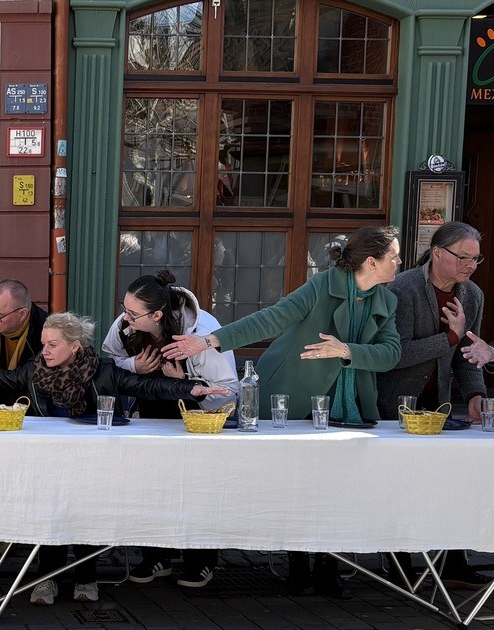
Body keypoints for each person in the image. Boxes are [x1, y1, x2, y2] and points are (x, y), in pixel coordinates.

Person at [161, 225, 403, 599]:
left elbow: (391, 354)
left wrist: (348, 350)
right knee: (298, 481)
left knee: (337, 486)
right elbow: (271, 318)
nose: (400, 262)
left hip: (348, 404)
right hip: (290, 393)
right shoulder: (322, 287)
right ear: (372, 262)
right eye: (394, 256)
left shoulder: (386, 302)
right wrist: (209, 341)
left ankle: (328, 563)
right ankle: (298, 564)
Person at [0, 312, 228, 605]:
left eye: (52, 344)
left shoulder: (104, 371)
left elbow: (148, 386)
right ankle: (45, 577)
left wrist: (194, 389)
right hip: (50, 460)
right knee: (50, 507)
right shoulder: (34, 371)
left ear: (74, 347)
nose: (44, 350)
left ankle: (86, 576)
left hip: (97, 461)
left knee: (88, 505)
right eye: (44, 343)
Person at [102, 271, 239, 589]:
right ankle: (155, 556)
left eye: (133, 313)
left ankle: (201, 561)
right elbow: (109, 362)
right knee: (151, 484)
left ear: (157, 314)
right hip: (149, 410)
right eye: (124, 308)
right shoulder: (126, 325)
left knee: (197, 487)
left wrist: (183, 384)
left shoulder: (204, 331)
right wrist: (134, 367)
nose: (125, 317)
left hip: (199, 417)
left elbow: (228, 391)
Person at [375, 222, 491, 590]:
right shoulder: (402, 288)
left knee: (446, 483)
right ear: (437, 253)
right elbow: (395, 354)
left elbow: (465, 356)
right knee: (398, 485)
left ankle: (453, 561)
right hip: (392, 402)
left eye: (476, 259)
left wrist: (474, 395)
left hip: (439, 405)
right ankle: (398, 560)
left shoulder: (472, 296)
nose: (470, 266)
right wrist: (449, 338)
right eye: (463, 257)